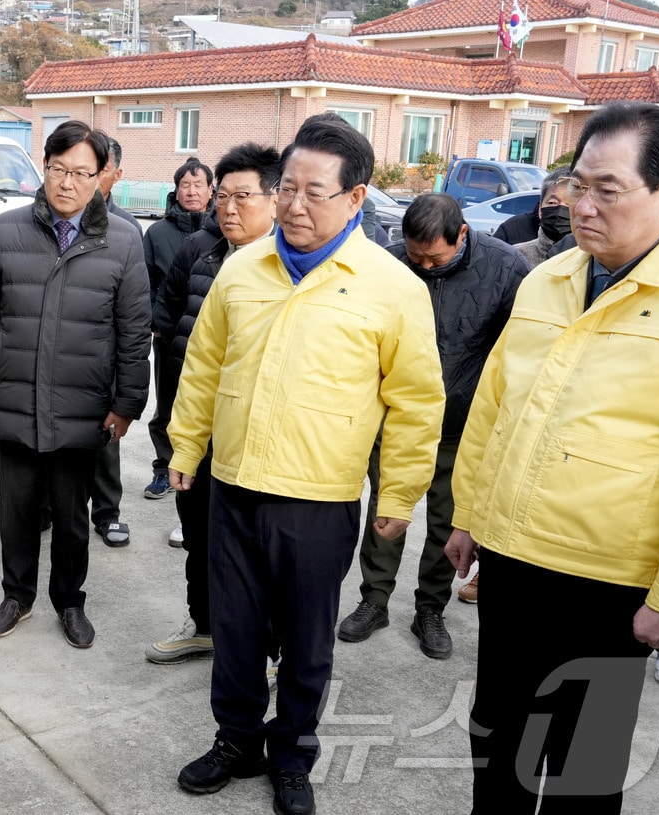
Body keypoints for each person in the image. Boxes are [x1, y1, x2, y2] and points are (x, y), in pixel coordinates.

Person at [168, 114, 443, 815]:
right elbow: (202, 364)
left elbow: (415, 403)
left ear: (356, 199)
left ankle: (292, 753)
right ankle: (236, 741)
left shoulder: (392, 286)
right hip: (232, 485)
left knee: (305, 640)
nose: (293, 204)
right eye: (286, 187)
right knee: (234, 630)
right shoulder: (244, 267)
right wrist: (186, 444)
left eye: (313, 192)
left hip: (317, 499)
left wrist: (399, 496)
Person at [446, 101, 659, 812]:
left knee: (581, 774)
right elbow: (494, 411)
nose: (581, 205)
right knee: (496, 748)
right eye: (577, 184)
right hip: (516, 565)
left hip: (612, 587)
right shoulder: (548, 280)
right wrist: (469, 518)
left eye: (607, 189)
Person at [0, 120, 151, 649]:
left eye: (81, 173)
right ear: (42, 168)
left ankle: (70, 601)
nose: (67, 182)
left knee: (72, 517)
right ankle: (16, 596)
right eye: (58, 169)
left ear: (103, 177)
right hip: (16, 395)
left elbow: (134, 331)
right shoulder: (6, 231)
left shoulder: (122, 239)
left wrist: (128, 402)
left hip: (83, 404)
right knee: (17, 510)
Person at [336, 194, 528, 660]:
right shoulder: (388, 262)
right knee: (386, 511)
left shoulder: (505, 268)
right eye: (414, 255)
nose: (422, 265)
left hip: (461, 423)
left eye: (434, 257)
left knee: (448, 522)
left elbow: (519, 349)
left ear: (462, 234)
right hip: (398, 419)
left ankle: (430, 609)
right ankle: (373, 600)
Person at [146, 142, 278, 665]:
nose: (227, 207)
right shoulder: (199, 252)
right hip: (195, 421)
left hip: (252, 430)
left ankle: (264, 647)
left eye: (242, 196)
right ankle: (202, 624)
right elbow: (168, 311)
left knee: (254, 545)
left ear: (275, 199)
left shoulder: (288, 268)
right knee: (198, 531)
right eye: (222, 196)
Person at [142, 156, 212, 500]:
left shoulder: (220, 233)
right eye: (185, 184)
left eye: (199, 184)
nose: (192, 191)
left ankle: (200, 472)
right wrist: (156, 321)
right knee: (167, 404)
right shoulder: (157, 233)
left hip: (209, 334)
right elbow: (148, 282)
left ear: (211, 191)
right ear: (176, 190)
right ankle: (164, 468)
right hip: (169, 334)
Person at [89, 137, 138, 546]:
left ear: (115, 175)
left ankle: (107, 513)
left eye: (98, 169)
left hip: (106, 358)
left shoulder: (127, 230)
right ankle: (49, 510)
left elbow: (134, 316)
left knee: (105, 439)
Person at [514, 170, 570, 270]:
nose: (560, 210)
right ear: (540, 209)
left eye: (569, 204)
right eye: (552, 203)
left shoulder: (594, 261)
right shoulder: (516, 257)